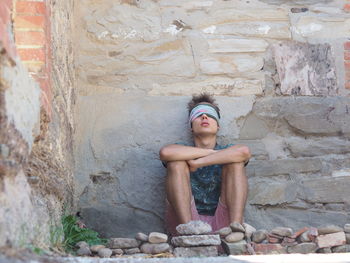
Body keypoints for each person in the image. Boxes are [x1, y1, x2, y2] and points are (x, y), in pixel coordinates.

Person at [159, 93, 251, 235]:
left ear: (218, 126)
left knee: (235, 163)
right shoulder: (182, 149)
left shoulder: (228, 149)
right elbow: (166, 152)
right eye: (198, 115)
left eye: (210, 115)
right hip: (186, 220)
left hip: (224, 221)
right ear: (191, 127)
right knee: (176, 163)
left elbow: (243, 151)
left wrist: (198, 163)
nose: (204, 117)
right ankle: (188, 233)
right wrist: (211, 153)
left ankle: (236, 232)